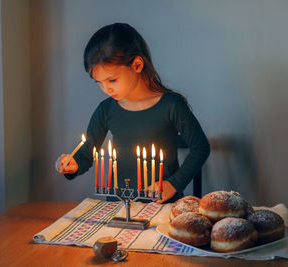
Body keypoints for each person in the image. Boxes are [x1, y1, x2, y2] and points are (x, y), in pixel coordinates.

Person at [55, 23, 210, 203]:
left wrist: (173, 184)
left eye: (112, 80)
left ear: (137, 64)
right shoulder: (106, 109)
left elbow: (200, 147)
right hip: (119, 205)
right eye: (99, 82)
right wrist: (73, 164)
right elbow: (87, 152)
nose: (106, 89)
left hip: (162, 205)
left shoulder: (171, 105)